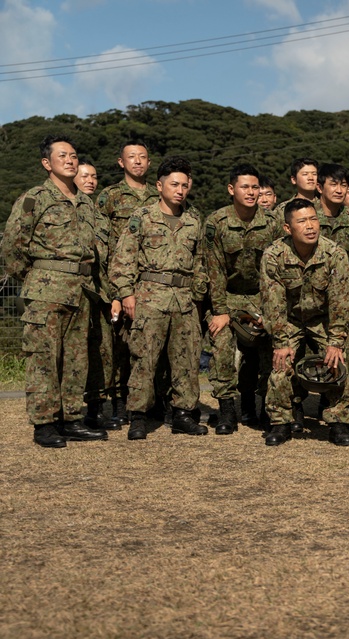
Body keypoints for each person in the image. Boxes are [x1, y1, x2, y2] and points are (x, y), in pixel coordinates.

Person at [1, 135, 106, 447]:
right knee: (44, 358)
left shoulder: (86, 203)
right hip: (46, 290)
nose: (71, 160)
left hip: (82, 289)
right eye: (63, 155)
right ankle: (44, 423)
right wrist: (36, 277)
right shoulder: (34, 199)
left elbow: (99, 247)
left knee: (76, 359)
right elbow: (11, 247)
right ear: (47, 163)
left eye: (74, 155)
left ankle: (71, 418)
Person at [108, 157, 209, 440]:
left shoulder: (194, 219)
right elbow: (123, 258)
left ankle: (183, 414)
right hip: (149, 296)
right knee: (144, 359)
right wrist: (126, 293)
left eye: (185, 185)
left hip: (184, 299)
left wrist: (198, 296)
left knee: (187, 361)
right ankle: (138, 416)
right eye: (174, 184)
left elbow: (201, 263)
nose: (180, 190)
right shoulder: (142, 216)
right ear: (159, 185)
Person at [259, 199, 349, 447]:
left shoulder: (335, 254)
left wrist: (336, 342)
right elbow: (273, 303)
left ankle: (338, 420)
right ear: (288, 228)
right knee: (281, 362)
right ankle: (281, 421)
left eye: (314, 219)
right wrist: (280, 342)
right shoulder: (274, 255)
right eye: (302, 221)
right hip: (289, 319)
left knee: (342, 357)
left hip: (323, 318)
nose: (310, 226)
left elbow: (341, 302)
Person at [204, 163, 283, 433]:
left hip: (262, 297)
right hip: (227, 296)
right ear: (231, 189)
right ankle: (227, 409)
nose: (251, 192)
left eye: (255, 187)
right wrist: (220, 311)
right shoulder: (217, 222)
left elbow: (276, 272)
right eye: (244, 187)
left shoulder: (271, 223)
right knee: (222, 343)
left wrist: (270, 312)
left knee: (268, 348)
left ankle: (265, 409)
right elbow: (213, 270)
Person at [96, 140, 158, 424]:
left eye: (142, 157)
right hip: (118, 281)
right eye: (131, 157)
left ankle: (152, 403)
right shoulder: (109, 197)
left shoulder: (161, 194)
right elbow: (101, 243)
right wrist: (114, 290)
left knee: (149, 347)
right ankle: (120, 403)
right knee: (118, 347)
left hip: (153, 283)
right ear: (120, 162)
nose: (137, 161)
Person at [317, 163, 349, 420]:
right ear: (319, 187)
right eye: (333, 184)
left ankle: (338, 412)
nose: (340, 189)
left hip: (341, 305)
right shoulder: (303, 215)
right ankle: (292, 411)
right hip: (307, 304)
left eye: (343, 185)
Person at [74, 157, 120, 432]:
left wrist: (115, 294)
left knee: (101, 353)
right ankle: (64, 413)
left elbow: (112, 259)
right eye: (85, 176)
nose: (90, 180)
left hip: (100, 296)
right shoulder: (64, 212)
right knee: (71, 354)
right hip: (72, 293)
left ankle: (94, 410)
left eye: (94, 176)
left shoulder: (102, 219)